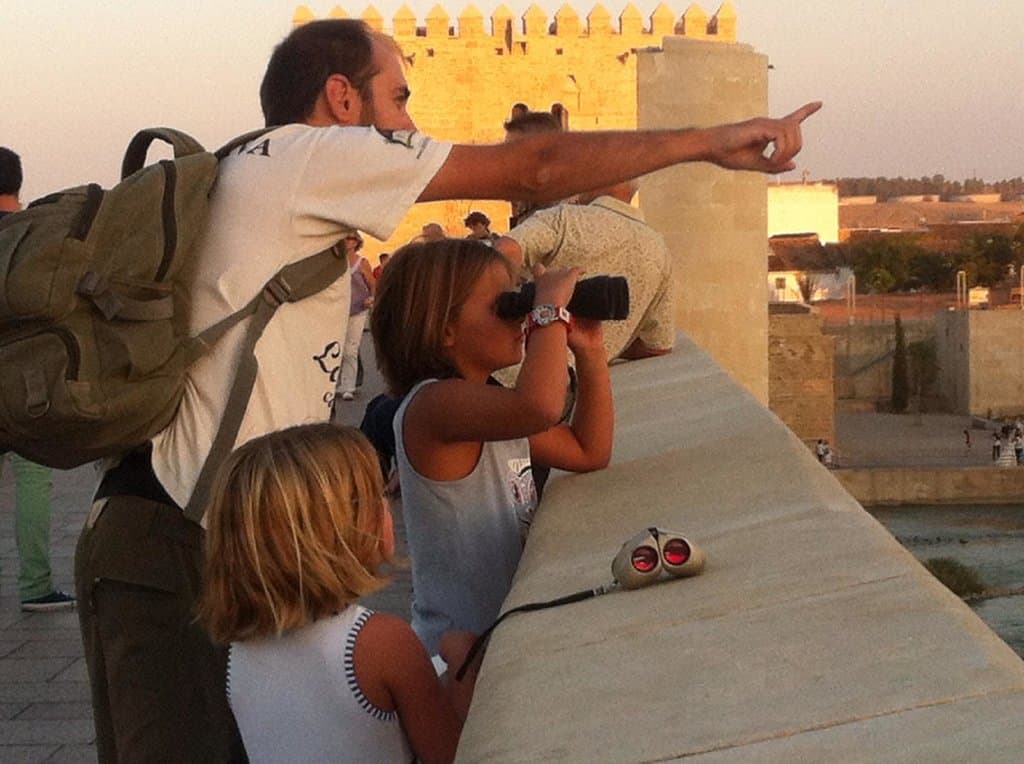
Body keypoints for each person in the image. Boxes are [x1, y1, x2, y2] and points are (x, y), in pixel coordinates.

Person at [72, 18, 819, 762]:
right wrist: (706, 142)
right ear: (340, 99)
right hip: (174, 535)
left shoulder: (287, 186)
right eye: (397, 99)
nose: (410, 126)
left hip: (224, 535)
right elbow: (535, 167)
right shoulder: (304, 160)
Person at [371, 239, 614, 654]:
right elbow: (539, 406)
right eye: (506, 305)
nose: (519, 316)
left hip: (498, 635)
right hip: (459, 652)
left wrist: (590, 352)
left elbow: (587, 451)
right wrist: (549, 309)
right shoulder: (433, 406)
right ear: (444, 329)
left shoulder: (489, 405)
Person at [198, 423, 478, 763]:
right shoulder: (381, 642)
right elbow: (452, 754)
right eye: (376, 494)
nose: (386, 505)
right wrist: (463, 661)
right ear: (344, 529)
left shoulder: (232, 655)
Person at [0, 146, 77, 613]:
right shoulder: (32, 232)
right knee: (31, 476)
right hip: (24, 377)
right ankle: (35, 584)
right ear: (18, 183)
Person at [497, 178, 674, 361]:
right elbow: (658, 345)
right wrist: (611, 346)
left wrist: (499, 304)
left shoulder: (564, 218)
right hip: (570, 379)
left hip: (509, 368)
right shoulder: (659, 249)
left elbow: (506, 249)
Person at [335, 232, 376, 402]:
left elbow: (372, 284)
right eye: (344, 238)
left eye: (350, 239)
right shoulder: (336, 264)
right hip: (338, 311)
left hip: (358, 309)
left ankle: (348, 386)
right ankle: (338, 383)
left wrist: (371, 298)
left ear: (356, 242)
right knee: (337, 348)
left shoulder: (362, 263)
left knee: (350, 349)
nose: (347, 242)